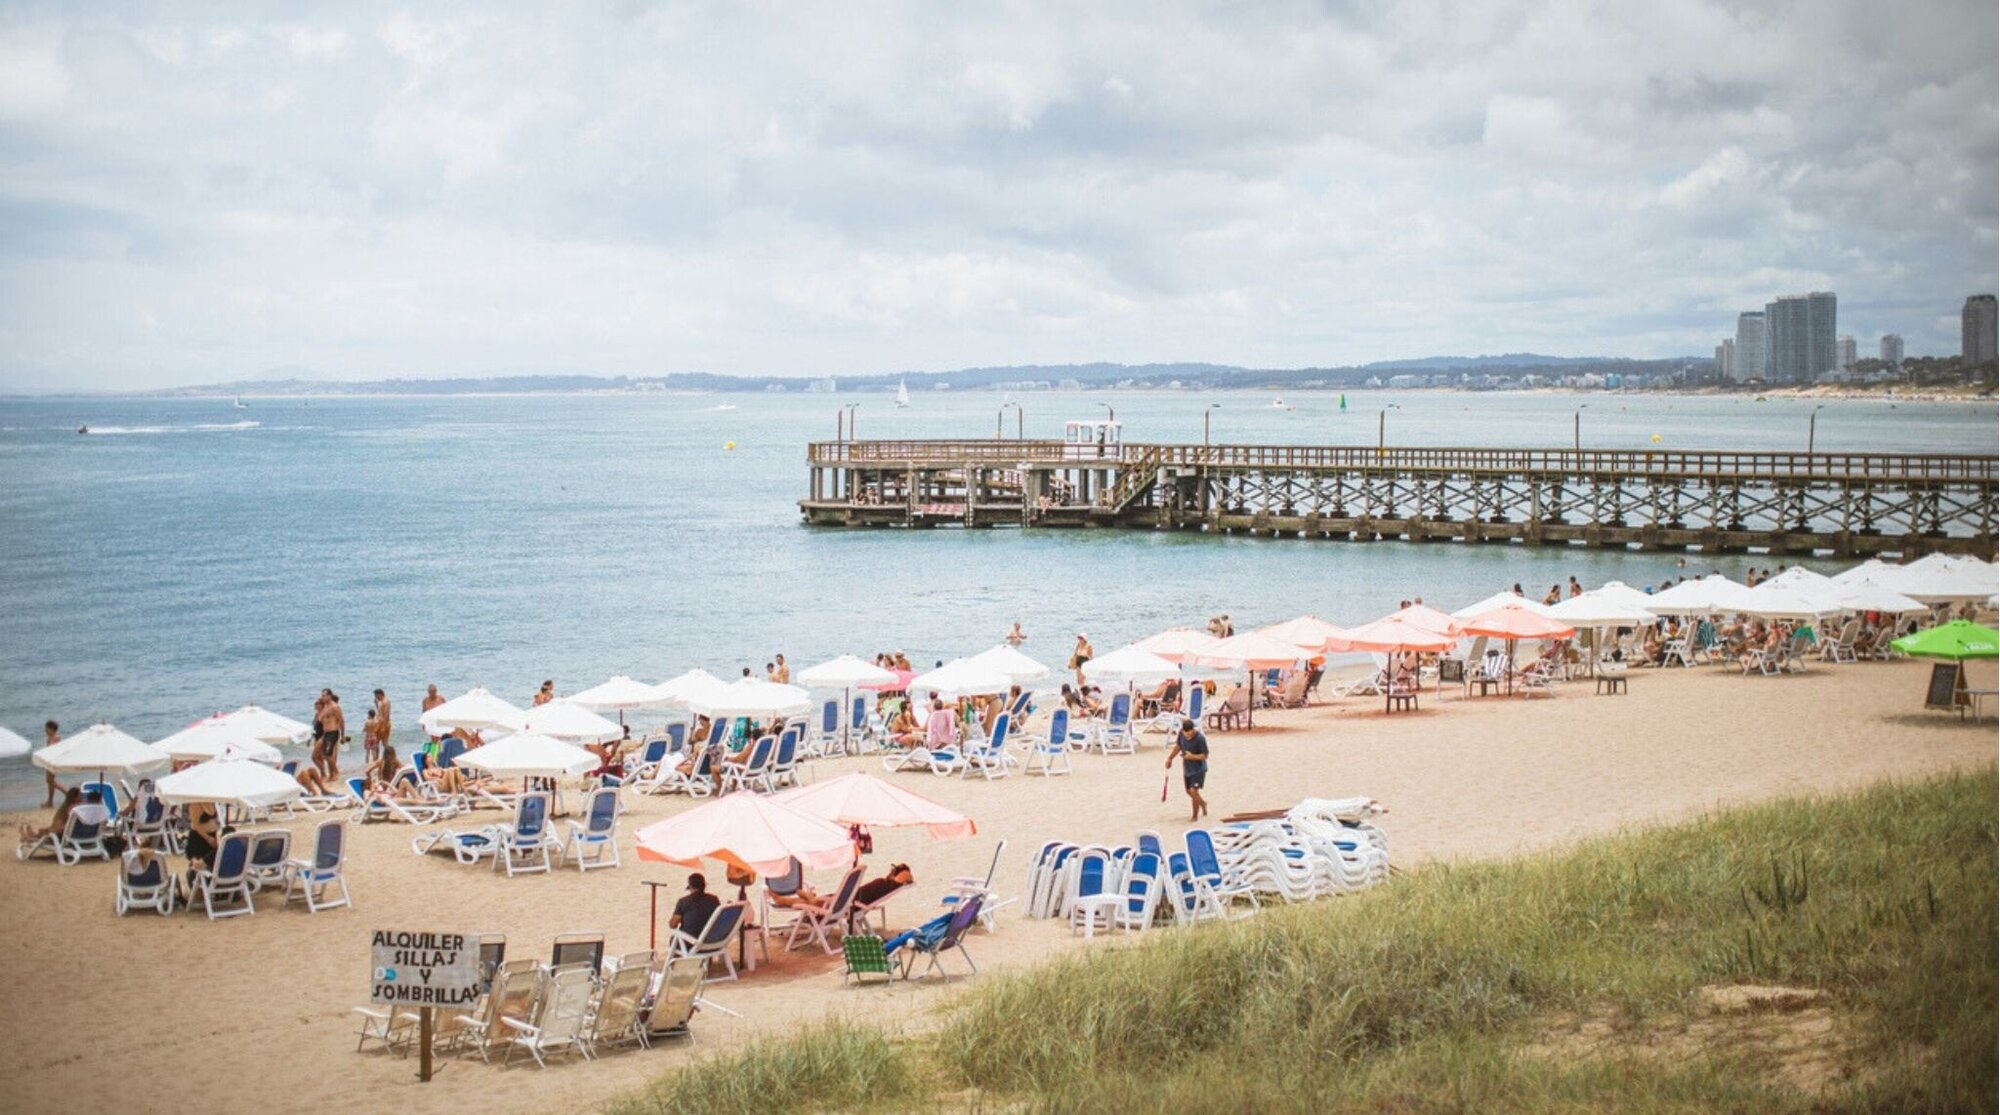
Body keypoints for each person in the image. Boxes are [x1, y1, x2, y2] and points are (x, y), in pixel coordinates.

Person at [1165, 719, 1210, 822]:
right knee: (1188, 791)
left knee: (1194, 791)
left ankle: (1194, 816)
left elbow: (1205, 755)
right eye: (1186, 733)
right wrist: (1170, 758)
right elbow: (1178, 746)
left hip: (1199, 769)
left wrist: (1192, 756)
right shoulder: (1181, 734)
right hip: (1187, 768)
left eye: (1190, 732)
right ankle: (1202, 803)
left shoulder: (1200, 738)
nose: (1188, 735)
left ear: (1193, 729)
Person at [670, 873, 722, 938]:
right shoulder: (714, 899)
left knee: (673, 938)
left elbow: (673, 925)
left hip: (689, 942)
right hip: (711, 939)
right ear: (704, 886)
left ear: (691, 887)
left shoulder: (683, 901)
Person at [367, 688, 391, 765]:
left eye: (376, 696)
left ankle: (388, 757)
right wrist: (376, 704)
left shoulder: (386, 701)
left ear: (380, 694)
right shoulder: (380, 701)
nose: (376, 697)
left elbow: (386, 714)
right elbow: (380, 711)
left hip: (384, 724)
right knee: (376, 742)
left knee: (384, 742)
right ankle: (376, 758)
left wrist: (384, 726)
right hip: (379, 724)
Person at [40, 720, 59, 807]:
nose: (45, 730)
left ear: (52, 729)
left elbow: (54, 750)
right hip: (49, 761)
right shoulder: (50, 738)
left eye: (47, 729)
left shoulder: (56, 738)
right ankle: (50, 801)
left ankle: (67, 793)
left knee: (51, 781)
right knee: (49, 781)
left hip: (53, 761)